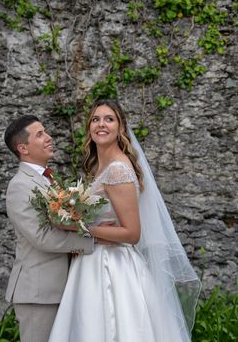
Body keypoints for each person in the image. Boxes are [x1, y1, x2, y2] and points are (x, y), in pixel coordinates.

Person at [48, 99, 202, 342]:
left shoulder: (117, 169)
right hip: (91, 262)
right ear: (89, 127)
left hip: (112, 266)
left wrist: (83, 228)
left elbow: (132, 233)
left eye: (109, 119)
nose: (101, 124)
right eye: (95, 119)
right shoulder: (99, 167)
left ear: (120, 128)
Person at [4, 114, 95, 342]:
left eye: (45, 132)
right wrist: (92, 241)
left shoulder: (50, 180)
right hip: (39, 293)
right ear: (23, 148)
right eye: (40, 134)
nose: (49, 137)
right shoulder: (20, 186)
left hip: (60, 286)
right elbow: (42, 237)